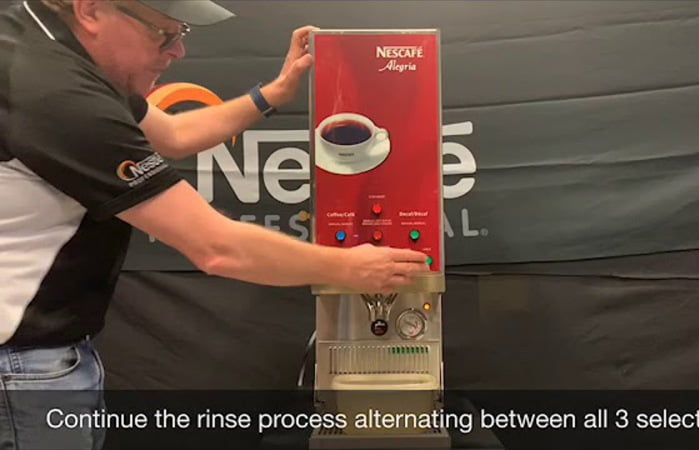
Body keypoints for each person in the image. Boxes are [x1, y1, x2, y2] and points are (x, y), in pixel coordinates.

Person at [0, 1, 430, 448]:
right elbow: (217, 248)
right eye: (163, 34)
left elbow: (174, 135)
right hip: (22, 369)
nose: (178, 51)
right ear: (91, 10)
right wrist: (350, 269)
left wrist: (273, 94)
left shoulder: (52, 47)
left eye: (181, 32)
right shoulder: (53, 94)